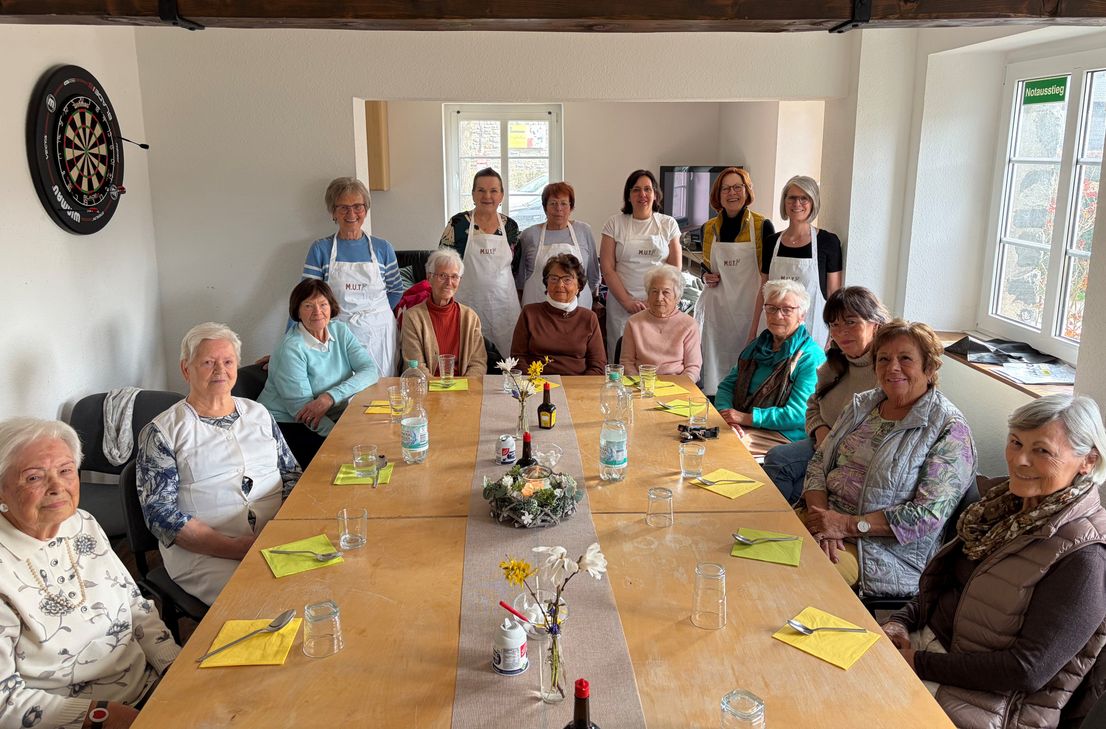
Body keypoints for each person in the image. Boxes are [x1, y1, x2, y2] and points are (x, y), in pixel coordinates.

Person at [881, 395, 1106, 728]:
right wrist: (900, 622)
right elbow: (944, 587)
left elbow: (1026, 670)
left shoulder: (1085, 557)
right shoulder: (999, 509)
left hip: (981, 706)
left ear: (1088, 461)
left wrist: (916, 662)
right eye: (1016, 443)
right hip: (925, 654)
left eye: (1042, 451)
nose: (1020, 460)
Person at [0, 417, 180, 729]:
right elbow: (5, 701)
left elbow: (135, 607)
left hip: (148, 688)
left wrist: (173, 665)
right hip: (73, 720)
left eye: (65, 471)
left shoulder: (82, 523)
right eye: (34, 478)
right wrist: (104, 716)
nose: (57, 487)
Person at [800, 319, 976, 597]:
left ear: (929, 368)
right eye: (883, 359)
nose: (892, 367)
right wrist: (821, 519)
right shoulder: (862, 405)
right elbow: (818, 463)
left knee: (796, 576)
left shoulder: (949, 429)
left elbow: (926, 516)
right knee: (747, 544)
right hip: (822, 521)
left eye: (905, 358)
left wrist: (845, 525)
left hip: (877, 551)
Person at [137, 323, 301, 605]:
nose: (219, 370)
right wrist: (238, 548)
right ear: (186, 369)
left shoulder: (259, 413)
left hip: (275, 536)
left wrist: (282, 529)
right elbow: (160, 514)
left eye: (228, 362)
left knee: (325, 581)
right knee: (265, 600)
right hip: (207, 554)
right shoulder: (163, 431)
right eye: (208, 362)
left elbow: (291, 475)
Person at [763, 287, 891, 504]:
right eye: (834, 325)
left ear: (875, 324)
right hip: (822, 443)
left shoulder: (887, 369)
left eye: (851, 322)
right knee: (780, 463)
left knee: (781, 463)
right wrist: (822, 432)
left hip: (858, 456)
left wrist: (833, 444)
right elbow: (812, 406)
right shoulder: (833, 364)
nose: (841, 332)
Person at [259, 280, 379, 465]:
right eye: (308, 306)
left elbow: (370, 370)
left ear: (331, 306)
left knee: (376, 439)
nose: (317, 312)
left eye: (323, 304)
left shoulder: (340, 331)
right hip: (290, 426)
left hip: (330, 416)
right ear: (297, 311)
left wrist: (330, 397)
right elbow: (303, 411)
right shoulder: (291, 348)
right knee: (348, 459)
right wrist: (340, 437)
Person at [301, 177, 404, 376]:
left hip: (379, 335)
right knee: (343, 388)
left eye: (358, 206)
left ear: (366, 209)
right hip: (337, 333)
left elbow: (396, 290)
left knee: (382, 387)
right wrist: (288, 345)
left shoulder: (383, 248)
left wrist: (375, 314)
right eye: (343, 208)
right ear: (333, 212)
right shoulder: (321, 249)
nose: (351, 214)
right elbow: (305, 299)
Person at [715, 279, 826, 455]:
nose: (777, 315)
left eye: (787, 310)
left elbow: (798, 414)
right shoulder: (757, 347)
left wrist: (747, 418)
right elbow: (727, 386)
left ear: (802, 316)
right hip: (742, 422)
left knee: (724, 447)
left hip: (785, 434)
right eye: (771, 308)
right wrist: (727, 415)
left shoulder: (810, 357)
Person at [694, 167, 775, 396]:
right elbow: (706, 267)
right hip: (717, 314)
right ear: (718, 195)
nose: (732, 193)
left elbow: (769, 275)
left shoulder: (762, 226)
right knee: (715, 378)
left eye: (738, 187)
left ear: (747, 191)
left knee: (748, 376)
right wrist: (705, 276)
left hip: (750, 312)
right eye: (726, 188)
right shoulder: (708, 228)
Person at [751, 175, 842, 348]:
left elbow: (834, 295)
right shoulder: (771, 242)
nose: (797, 203)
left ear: (813, 202)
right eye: (791, 198)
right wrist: (753, 331)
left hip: (811, 333)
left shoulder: (828, 242)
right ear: (784, 202)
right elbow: (763, 291)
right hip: (772, 332)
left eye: (804, 198)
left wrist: (834, 336)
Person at [440, 167, 521, 359]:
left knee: (506, 361)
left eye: (493, 191)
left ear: (501, 195)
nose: (487, 196)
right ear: (473, 194)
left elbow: (516, 266)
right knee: (468, 358)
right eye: (481, 190)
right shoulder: (458, 223)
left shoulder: (510, 226)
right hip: (467, 304)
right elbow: (442, 264)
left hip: (504, 307)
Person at [600, 169, 681, 350]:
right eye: (636, 190)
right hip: (622, 305)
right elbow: (607, 268)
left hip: (659, 303)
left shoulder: (668, 224)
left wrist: (653, 301)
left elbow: (674, 268)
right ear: (628, 196)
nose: (642, 194)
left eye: (647, 189)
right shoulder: (614, 224)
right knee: (621, 355)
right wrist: (627, 302)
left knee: (656, 354)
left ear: (655, 194)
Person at [510, 253, 606, 375]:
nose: (560, 285)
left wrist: (579, 385)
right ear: (547, 284)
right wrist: (533, 382)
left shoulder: (589, 318)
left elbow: (598, 365)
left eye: (567, 279)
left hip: (577, 383)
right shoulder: (529, 313)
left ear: (579, 286)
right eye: (554, 279)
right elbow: (517, 357)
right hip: (536, 382)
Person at [400, 248, 487, 377]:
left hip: (464, 385)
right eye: (443, 276)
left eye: (454, 277)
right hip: (427, 386)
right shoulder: (412, 317)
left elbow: (478, 363)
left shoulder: (470, 317)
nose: (449, 283)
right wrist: (436, 387)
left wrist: (465, 386)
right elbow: (415, 365)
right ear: (429, 277)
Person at [516, 181, 600, 309]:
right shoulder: (529, 235)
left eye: (564, 203)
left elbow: (593, 275)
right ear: (545, 207)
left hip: (578, 307)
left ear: (571, 207)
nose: (559, 208)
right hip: (537, 306)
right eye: (553, 203)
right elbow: (520, 279)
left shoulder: (584, 231)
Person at [620, 264, 702, 380]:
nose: (659, 298)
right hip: (641, 384)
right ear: (648, 295)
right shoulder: (634, 323)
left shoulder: (689, 325)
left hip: (677, 384)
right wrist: (640, 384)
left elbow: (693, 367)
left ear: (677, 296)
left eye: (666, 292)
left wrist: (680, 386)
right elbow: (627, 363)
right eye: (654, 291)